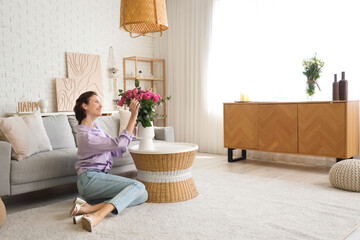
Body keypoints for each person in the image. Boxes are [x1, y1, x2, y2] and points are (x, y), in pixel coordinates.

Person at [70, 91, 148, 232]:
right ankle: (97, 215)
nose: (101, 105)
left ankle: (89, 207)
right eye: (96, 102)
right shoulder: (86, 136)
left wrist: (130, 133)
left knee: (143, 194)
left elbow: (116, 150)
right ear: (84, 106)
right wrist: (133, 116)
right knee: (137, 186)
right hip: (89, 180)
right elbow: (120, 144)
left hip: (98, 178)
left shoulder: (96, 129)